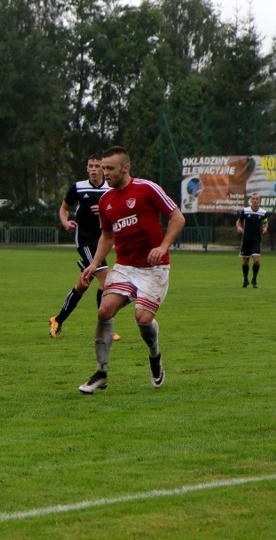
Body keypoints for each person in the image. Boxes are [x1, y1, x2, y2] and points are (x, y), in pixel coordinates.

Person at [77, 146, 185, 394]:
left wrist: (163, 246)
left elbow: (177, 217)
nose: (105, 173)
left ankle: (155, 356)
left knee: (142, 319)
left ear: (126, 168)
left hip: (154, 268)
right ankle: (101, 373)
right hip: (125, 267)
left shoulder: (147, 189)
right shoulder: (106, 200)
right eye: (103, 168)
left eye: (110, 169)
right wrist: (94, 265)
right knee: (104, 311)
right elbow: (106, 236)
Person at [48, 152, 119, 342]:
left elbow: (117, 213)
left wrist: (105, 211)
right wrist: (65, 222)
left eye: (98, 166)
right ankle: (106, 329)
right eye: (91, 166)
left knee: (82, 284)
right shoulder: (78, 188)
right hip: (85, 241)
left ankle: (57, 319)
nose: (94, 169)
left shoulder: (111, 190)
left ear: (104, 169)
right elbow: (64, 207)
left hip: (103, 241)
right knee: (106, 280)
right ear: (87, 168)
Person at [236, 193, 267, 288]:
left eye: (257, 198)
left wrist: (265, 228)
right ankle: (245, 279)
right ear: (251, 200)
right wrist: (239, 227)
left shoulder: (263, 212)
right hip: (246, 240)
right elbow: (239, 221)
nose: (255, 200)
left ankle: (254, 279)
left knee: (257, 260)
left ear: (259, 200)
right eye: (253, 198)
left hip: (257, 240)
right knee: (245, 261)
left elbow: (266, 222)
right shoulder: (245, 211)